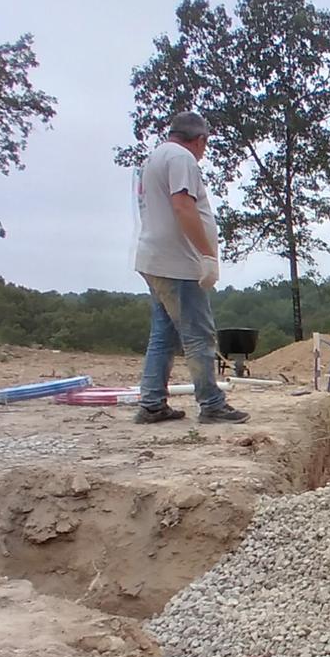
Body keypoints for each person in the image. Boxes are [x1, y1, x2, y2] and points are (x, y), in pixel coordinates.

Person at [132, 111, 248, 424]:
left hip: (154, 259)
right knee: (199, 334)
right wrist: (207, 254)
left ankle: (152, 403)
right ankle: (211, 404)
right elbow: (183, 206)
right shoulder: (181, 158)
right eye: (204, 145)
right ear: (200, 140)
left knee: (164, 333)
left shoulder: (153, 158)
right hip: (177, 264)